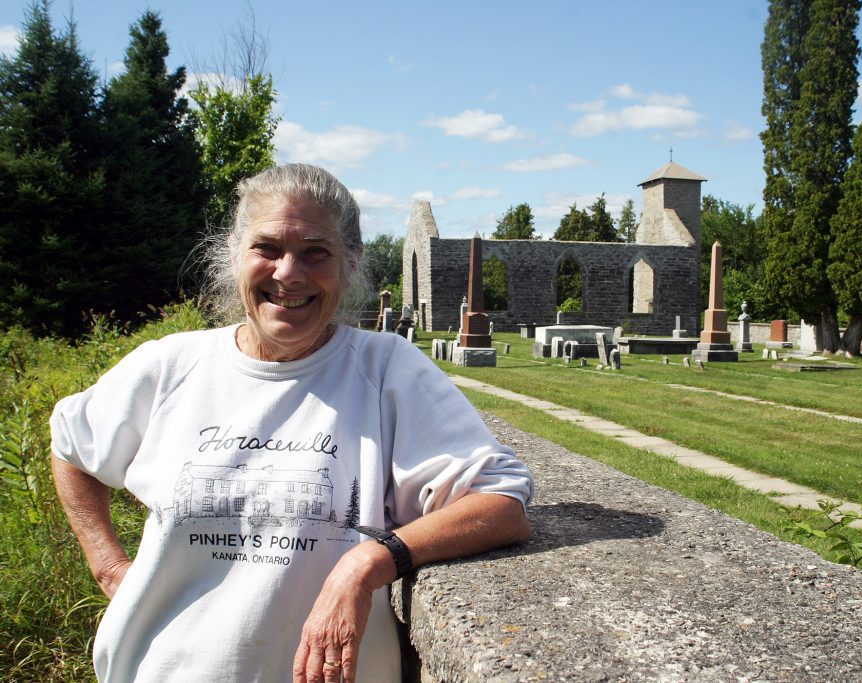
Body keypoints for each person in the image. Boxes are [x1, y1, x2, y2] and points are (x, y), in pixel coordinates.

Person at [49, 163, 534, 683]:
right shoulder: (170, 365)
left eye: (315, 252)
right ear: (235, 252)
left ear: (351, 263)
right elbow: (71, 445)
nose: (288, 273)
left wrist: (368, 561)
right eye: (267, 248)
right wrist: (109, 566)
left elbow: (502, 503)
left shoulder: (383, 369)